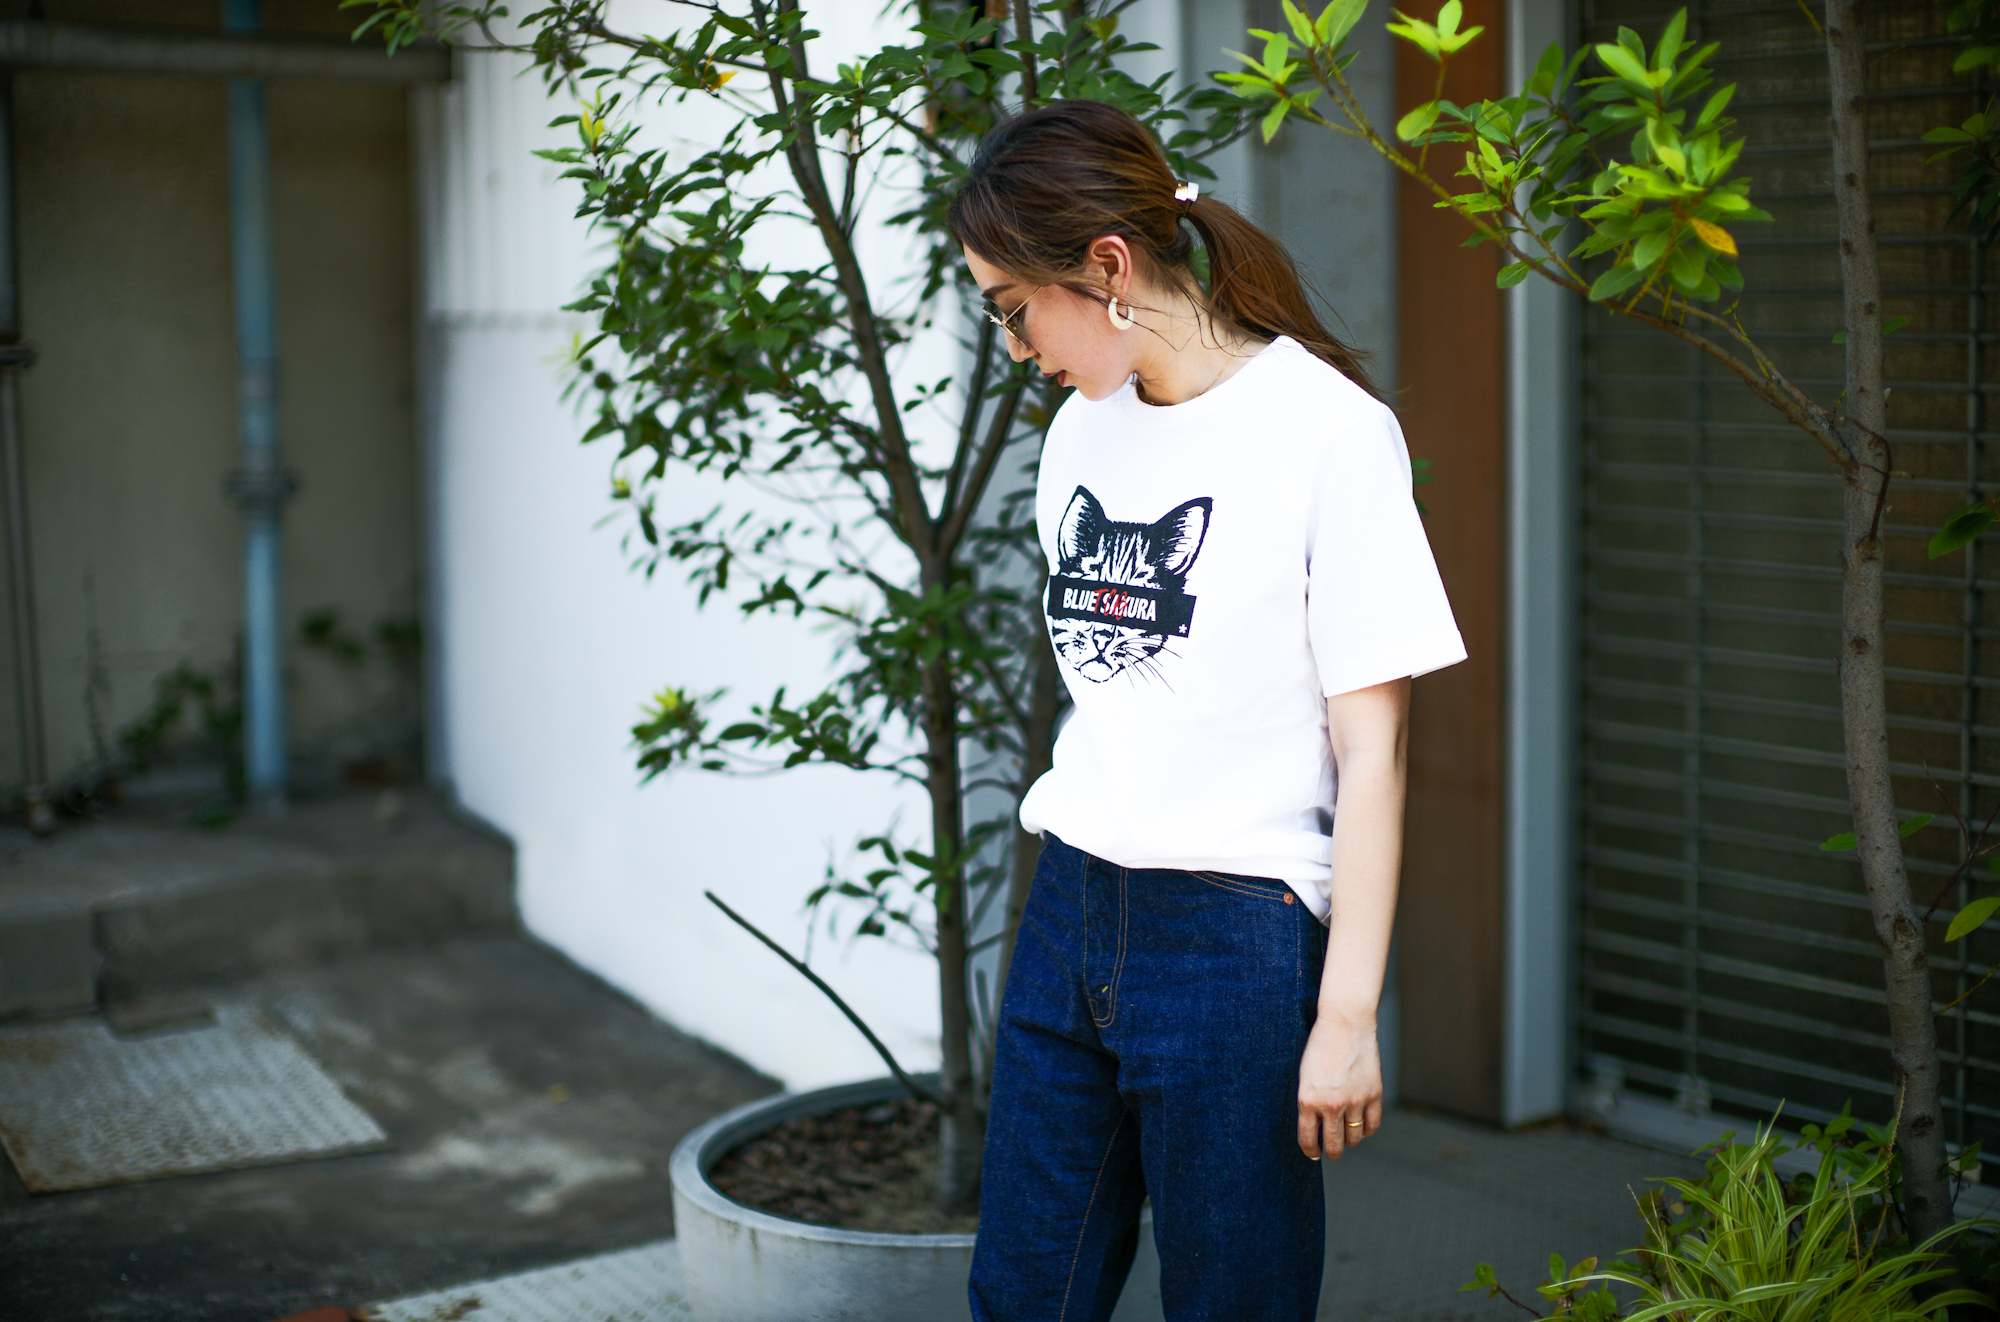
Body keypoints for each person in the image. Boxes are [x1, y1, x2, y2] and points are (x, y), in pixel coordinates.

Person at [947, 99, 1466, 1321]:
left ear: (1105, 267)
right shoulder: (1078, 436)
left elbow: (1373, 750)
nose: (1014, 347)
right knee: (1019, 1294)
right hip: (1071, 904)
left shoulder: (1329, 434)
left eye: (1013, 308)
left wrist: (1345, 1014)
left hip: (1234, 934)